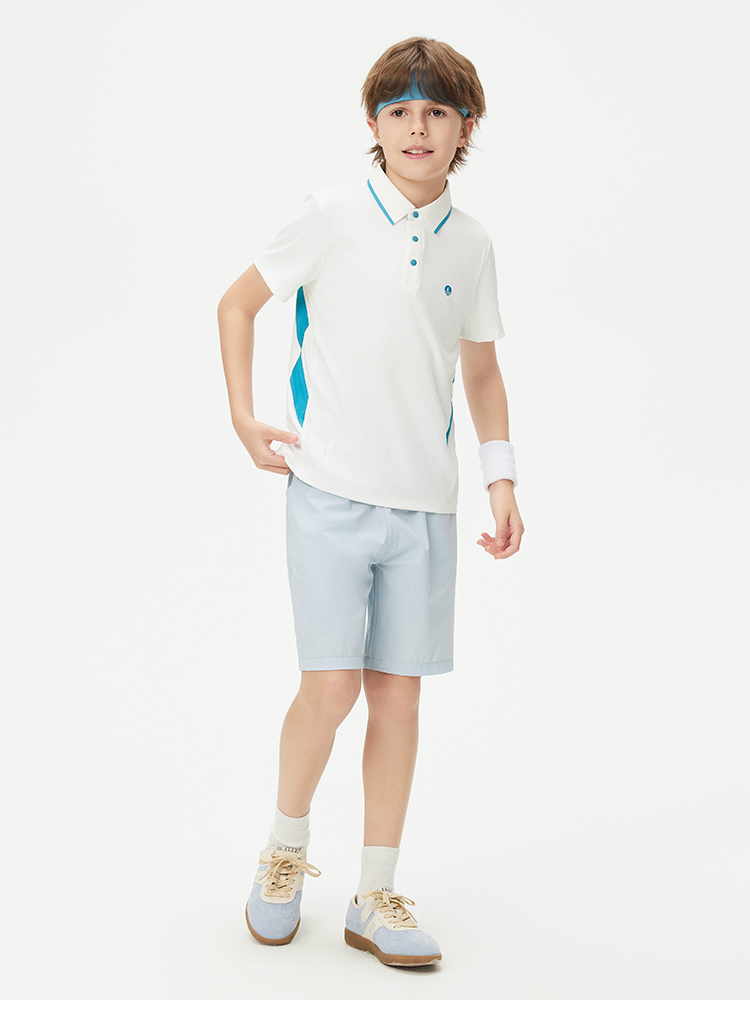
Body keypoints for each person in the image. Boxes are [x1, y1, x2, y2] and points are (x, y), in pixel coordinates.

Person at [217, 36, 524, 968]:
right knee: (331, 687)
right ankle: (284, 851)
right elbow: (237, 304)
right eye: (399, 111)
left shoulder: (472, 243)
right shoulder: (332, 215)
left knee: (398, 699)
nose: (417, 127)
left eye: (436, 111)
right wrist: (242, 415)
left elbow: (481, 371)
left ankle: (375, 893)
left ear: (465, 126)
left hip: (425, 506)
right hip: (330, 494)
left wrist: (502, 476)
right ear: (373, 124)